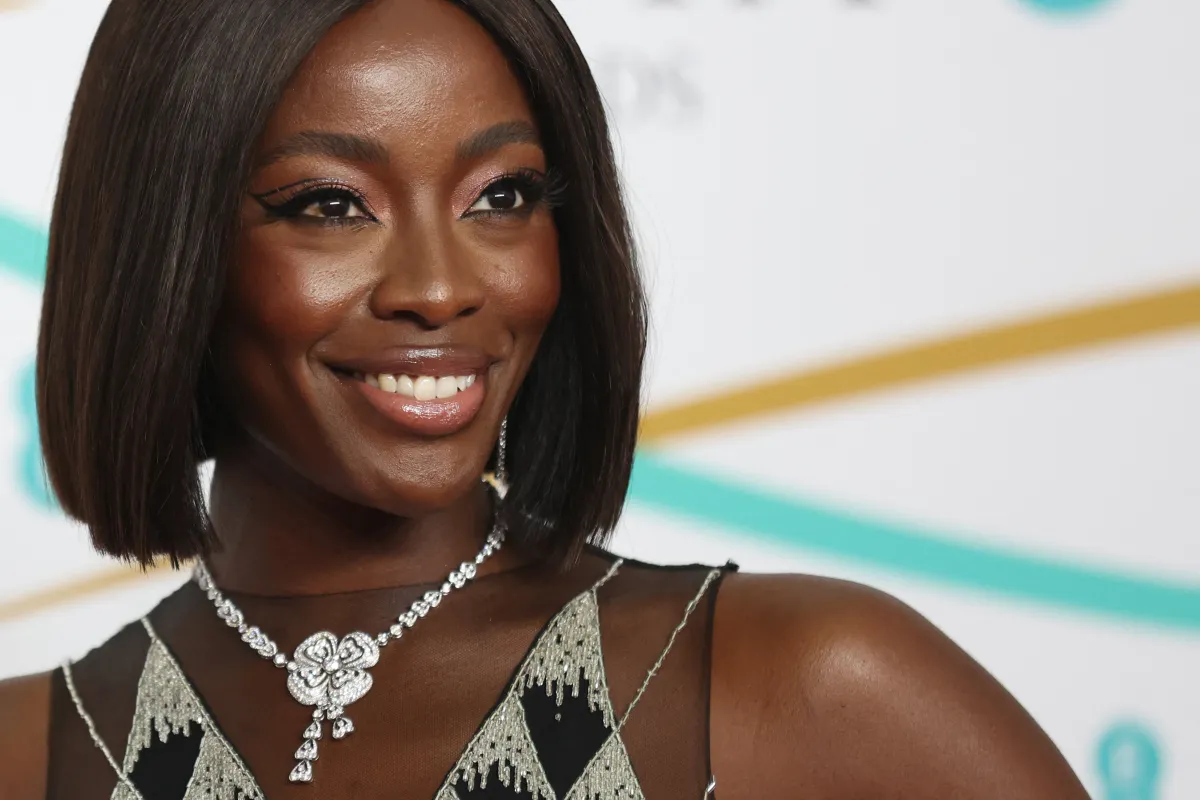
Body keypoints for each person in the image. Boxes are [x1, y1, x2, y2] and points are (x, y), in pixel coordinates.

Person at [0, 0, 1091, 797]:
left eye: (502, 196)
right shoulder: (33, 749)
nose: (439, 285)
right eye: (332, 204)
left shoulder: (809, 683)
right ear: (166, 248)